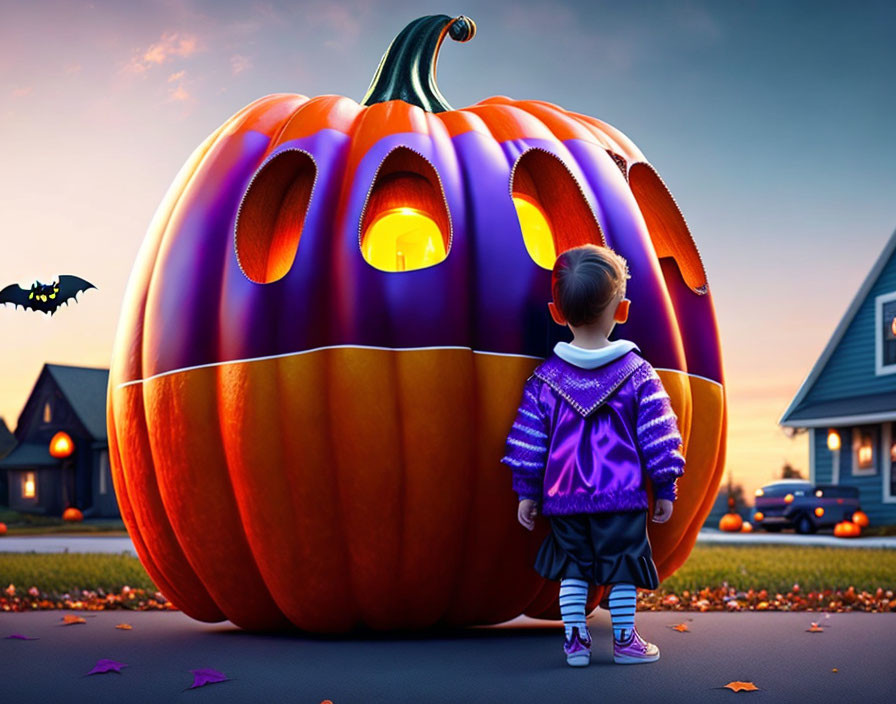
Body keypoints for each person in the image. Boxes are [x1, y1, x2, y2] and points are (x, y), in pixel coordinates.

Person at [500, 244, 685, 667]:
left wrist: (527, 492)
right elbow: (659, 434)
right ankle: (624, 642)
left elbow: (529, 442)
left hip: (563, 498)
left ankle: (576, 644)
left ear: (555, 311)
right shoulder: (639, 375)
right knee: (623, 565)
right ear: (622, 310)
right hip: (623, 496)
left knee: (573, 568)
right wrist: (665, 485)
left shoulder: (544, 381)